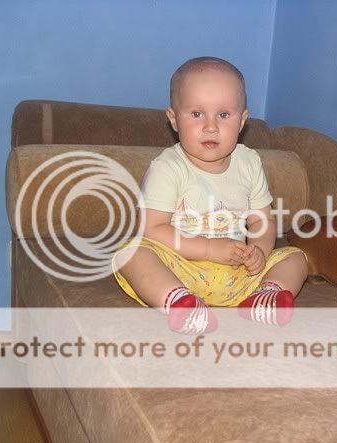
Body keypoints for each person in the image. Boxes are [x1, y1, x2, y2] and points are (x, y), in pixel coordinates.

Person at [113, 56, 308, 335]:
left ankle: (265, 296)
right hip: (181, 269)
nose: (210, 126)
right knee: (130, 252)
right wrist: (208, 248)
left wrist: (259, 251)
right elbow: (152, 229)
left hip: (238, 273)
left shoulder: (249, 162)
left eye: (224, 115)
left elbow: (261, 221)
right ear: (173, 119)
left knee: (296, 257)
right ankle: (179, 302)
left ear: (242, 121)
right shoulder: (168, 167)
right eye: (196, 114)